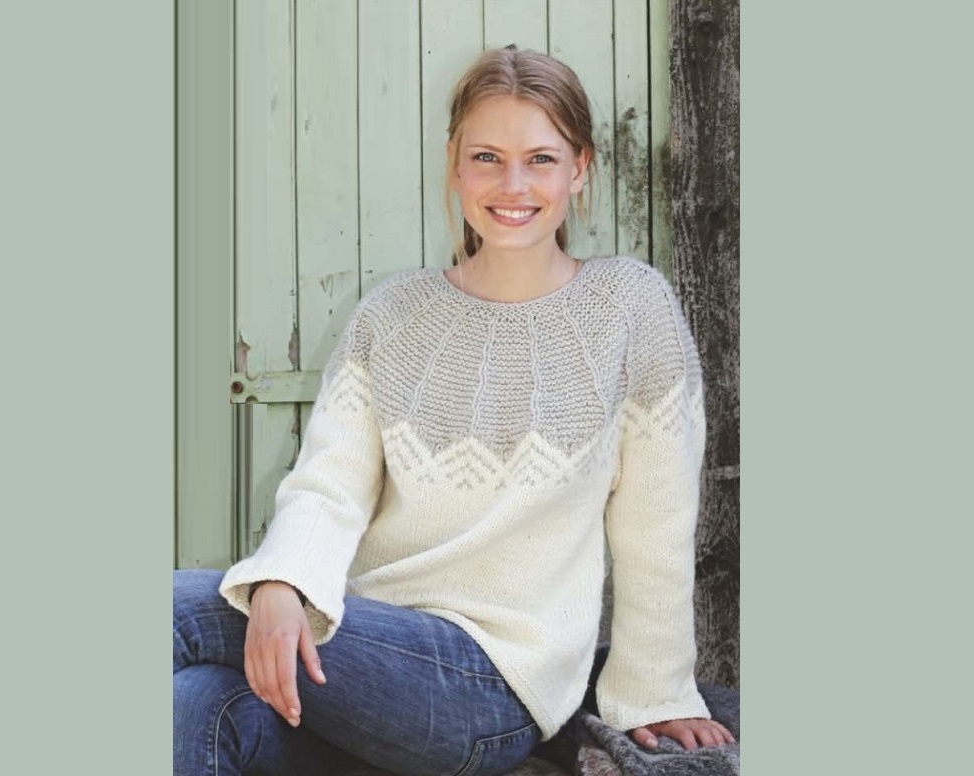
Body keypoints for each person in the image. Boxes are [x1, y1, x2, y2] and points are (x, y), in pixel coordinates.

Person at [174, 45, 734, 776]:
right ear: (454, 165)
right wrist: (282, 581)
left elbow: (656, 527)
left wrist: (655, 692)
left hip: (491, 687)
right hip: (362, 657)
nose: (512, 185)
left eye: (540, 159)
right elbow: (328, 485)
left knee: (182, 608)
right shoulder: (393, 314)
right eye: (487, 158)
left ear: (580, 168)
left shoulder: (629, 308)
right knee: (193, 703)